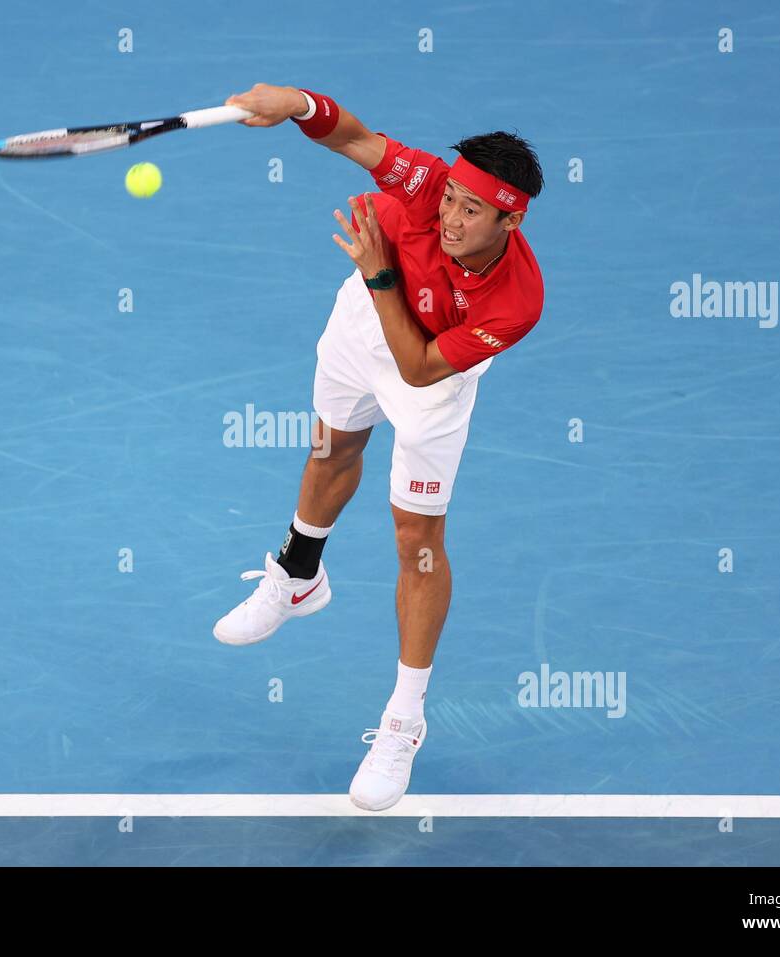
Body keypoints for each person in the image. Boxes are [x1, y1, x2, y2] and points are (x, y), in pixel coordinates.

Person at [213, 84, 545, 811]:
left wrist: (382, 273)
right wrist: (296, 103)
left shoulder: (516, 300)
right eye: (451, 198)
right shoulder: (427, 184)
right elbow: (355, 136)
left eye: (470, 209)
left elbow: (422, 366)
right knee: (331, 448)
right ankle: (299, 576)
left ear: (509, 219)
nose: (450, 216)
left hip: (429, 373)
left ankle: (404, 718)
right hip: (364, 319)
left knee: (416, 537)